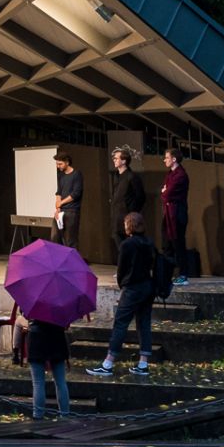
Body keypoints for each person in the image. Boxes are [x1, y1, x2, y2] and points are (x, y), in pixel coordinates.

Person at [89, 211, 154, 376]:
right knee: (144, 323)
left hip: (132, 288)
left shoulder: (127, 245)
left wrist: (121, 284)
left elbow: (122, 268)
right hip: (148, 287)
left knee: (120, 323)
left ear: (129, 226)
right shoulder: (149, 242)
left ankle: (108, 363)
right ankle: (143, 364)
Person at [27, 314, 71, 419]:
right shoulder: (62, 301)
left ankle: (38, 416)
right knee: (60, 382)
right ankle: (65, 415)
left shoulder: (35, 299)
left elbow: (26, 314)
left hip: (37, 339)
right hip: (57, 339)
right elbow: (66, 324)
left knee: (38, 383)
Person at [107, 147, 146, 265]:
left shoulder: (131, 176)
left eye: (116, 158)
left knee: (128, 242)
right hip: (117, 215)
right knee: (117, 238)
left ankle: (132, 266)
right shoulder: (117, 176)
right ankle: (124, 266)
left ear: (124, 161)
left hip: (127, 216)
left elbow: (141, 197)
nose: (114, 160)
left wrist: (132, 212)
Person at [160, 147, 191, 285]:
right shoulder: (170, 174)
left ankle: (183, 274)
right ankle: (168, 273)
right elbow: (164, 193)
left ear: (174, 159)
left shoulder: (180, 175)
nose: (164, 160)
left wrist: (165, 191)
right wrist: (165, 191)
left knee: (178, 244)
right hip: (168, 214)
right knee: (167, 244)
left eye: (167, 157)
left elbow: (167, 194)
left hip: (177, 214)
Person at [52, 152, 83, 248]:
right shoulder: (60, 175)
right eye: (57, 164)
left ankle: (72, 262)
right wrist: (58, 208)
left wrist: (61, 203)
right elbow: (59, 192)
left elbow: (76, 194)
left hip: (72, 211)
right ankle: (59, 261)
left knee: (70, 240)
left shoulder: (76, 174)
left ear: (67, 162)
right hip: (61, 211)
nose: (58, 166)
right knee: (55, 237)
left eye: (60, 164)